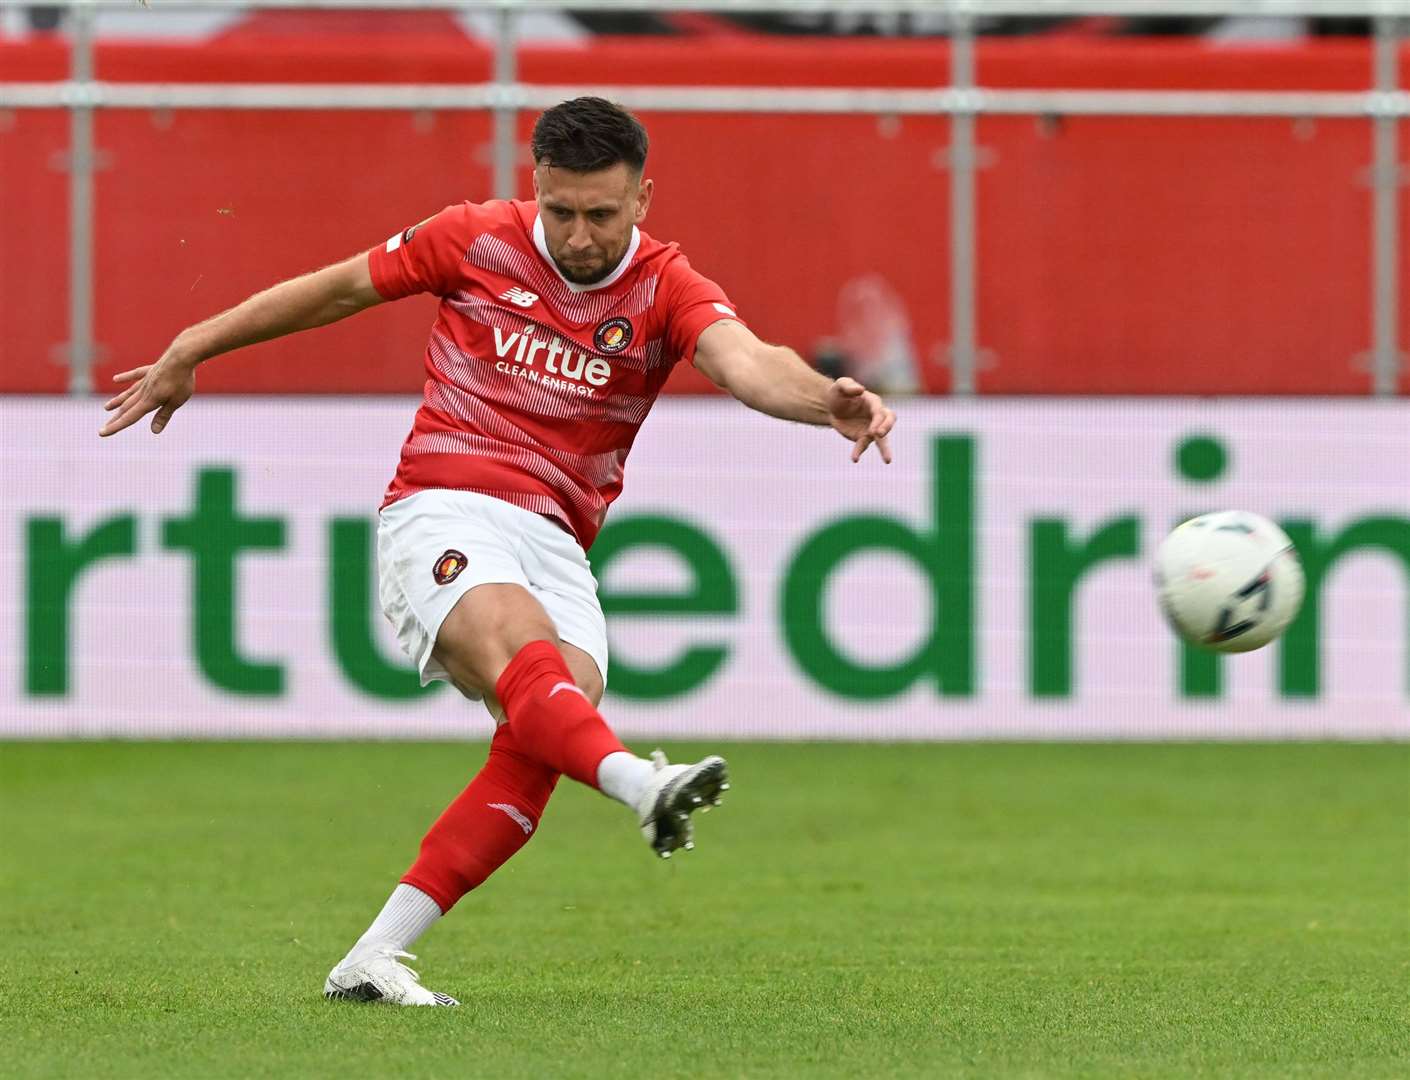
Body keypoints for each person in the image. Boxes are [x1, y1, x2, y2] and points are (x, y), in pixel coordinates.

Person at [99, 96, 896, 1007]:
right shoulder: (474, 240)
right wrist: (195, 345)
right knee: (530, 660)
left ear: (642, 197)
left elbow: (748, 362)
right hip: (446, 505)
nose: (581, 235)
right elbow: (337, 289)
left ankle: (375, 954)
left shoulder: (667, 287)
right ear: (537, 189)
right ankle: (643, 785)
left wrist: (822, 403)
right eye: (561, 211)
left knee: (551, 725)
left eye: (602, 213)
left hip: (557, 537)